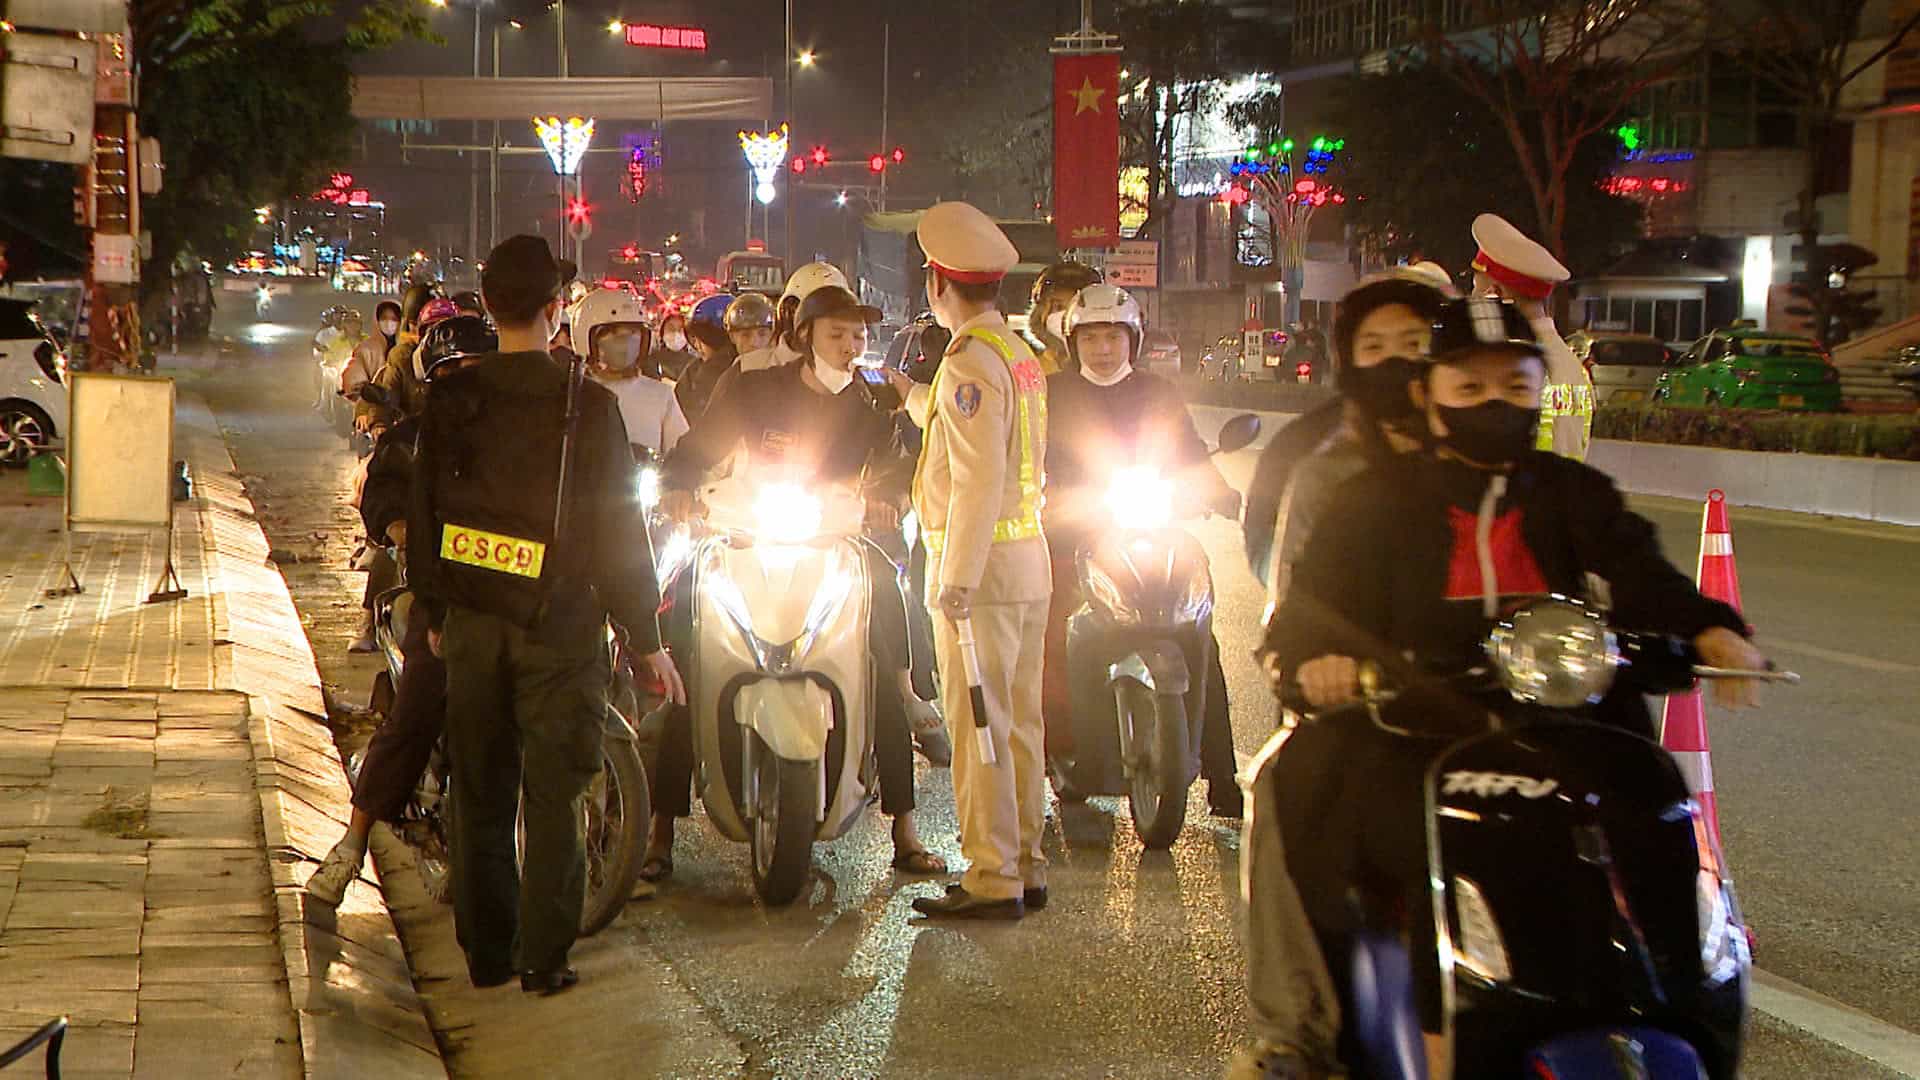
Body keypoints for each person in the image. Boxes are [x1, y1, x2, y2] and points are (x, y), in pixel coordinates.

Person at [1235, 297, 1766, 1079]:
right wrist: (1318, 661)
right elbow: (1313, 609)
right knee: (1316, 791)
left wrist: (1710, 629)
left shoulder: (1568, 491)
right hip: (1412, 723)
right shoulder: (1372, 499)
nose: (1493, 405)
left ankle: (1680, 1003)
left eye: (1514, 389)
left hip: (1566, 721)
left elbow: (1638, 569)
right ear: (1431, 391)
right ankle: (1343, 1033)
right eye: (1470, 387)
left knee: (1650, 808)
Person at [406, 234, 684, 995]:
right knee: (557, 796)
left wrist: (435, 610)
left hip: (470, 626)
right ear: (558, 311)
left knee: (482, 791)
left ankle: (487, 955)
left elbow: (423, 514)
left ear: (488, 306)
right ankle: (544, 958)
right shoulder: (585, 404)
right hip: (559, 631)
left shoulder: (451, 397)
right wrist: (647, 638)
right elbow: (619, 532)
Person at [645, 284, 949, 881]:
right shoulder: (757, 388)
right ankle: (659, 832)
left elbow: (895, 462)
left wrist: (887, 497)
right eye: (836, 333)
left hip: (832, 544)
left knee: (884, 648)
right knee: (689, 647)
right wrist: (680, 484)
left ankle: (906, 828)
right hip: (746, 537)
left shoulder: (871, 401)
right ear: (805, 336)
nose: (850, 345)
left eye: (858, 335)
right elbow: (698, 446)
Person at [890, 202, 1051, 920]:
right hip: (1026, 563)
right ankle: (1026, 863)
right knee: (1018, 723)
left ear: (935, 283)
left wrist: (952, 579)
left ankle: (991, 876)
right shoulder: (1014, 352)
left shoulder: (968, 358)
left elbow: (979, 475)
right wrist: (913, 399)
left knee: (978, 725)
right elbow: (981, 431)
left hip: (979, 577)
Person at [306, 315, 500, 906]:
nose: (467, 382)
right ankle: (352, 842)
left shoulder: (523, 434)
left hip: (518, 602)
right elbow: (383, 492)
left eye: (477, 371)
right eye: (454, 372)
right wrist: (398, 528)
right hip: (442, 600)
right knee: (418, 706)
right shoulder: (413, 439)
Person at [1038, 283, 1243, 817]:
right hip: (1073, 539)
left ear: (1132, 339)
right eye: (1091, 338)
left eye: (1113, 336)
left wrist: (1218, 491)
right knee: (1054, 632)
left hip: (1149, 533)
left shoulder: (1158, 393)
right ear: (1073, 341)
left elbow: (1191, 452)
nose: (1103, 348)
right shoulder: (1051, 393)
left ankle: (1222, 772)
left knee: (1199, 634)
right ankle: (1063, 752)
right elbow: (1026, 458)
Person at [1240, 268, 1454, 589]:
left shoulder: (1473, 450)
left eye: (1413, 343)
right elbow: (1270, 553)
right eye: (1373, 347)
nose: (1393, 360)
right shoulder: (1309, 454)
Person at [1468, 213, 1593, 460]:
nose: (1472, 298)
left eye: (1476, 288)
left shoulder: (1515, 367)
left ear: (1496, 294)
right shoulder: (1576, 370)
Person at [572, 286, 688, 457]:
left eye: (633, 333)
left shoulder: (661, 395)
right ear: (587, 338)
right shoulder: (576, 396)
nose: (625, 343)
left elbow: (682, 452)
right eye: (613, 333)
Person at [357, 284, 438, 434]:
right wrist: (379, 423)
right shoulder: (402, 356)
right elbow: (387, 391)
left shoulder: (460, 355)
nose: (435, 333)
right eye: (429, 326)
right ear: (412, 324)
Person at [1023, 260, 1103, 374]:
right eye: (1058, 306)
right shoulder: (1030, 372)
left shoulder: (1107, 372)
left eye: (1077, 308)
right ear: (1041, 313)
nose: (1066, 317)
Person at [675, 297, 737, 421]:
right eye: (695, 341)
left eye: (701, 341)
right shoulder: (692, 371)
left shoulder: (750, 367)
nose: (697, 347)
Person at [651, 311, 697, 380]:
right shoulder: (652, 361)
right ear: (662, 332)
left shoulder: (695, 364)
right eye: (671, 328)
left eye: (680, 329)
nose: (676, 333)